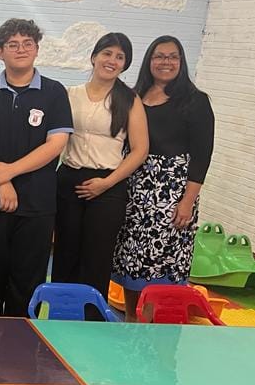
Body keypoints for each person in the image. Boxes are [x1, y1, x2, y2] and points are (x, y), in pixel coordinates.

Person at [0, 18, 73, 317]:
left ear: (37, 49)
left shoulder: (54, 92)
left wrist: (11, 172)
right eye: (12, 44)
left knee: (27, 283)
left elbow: (55, 144)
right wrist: (2, 181)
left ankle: (20, 341)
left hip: (37, 204)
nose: (21, 49)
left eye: (27, 43)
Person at [113, 35, 215, 320]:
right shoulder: (134, 97)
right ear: (149, 60)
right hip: (135, 188)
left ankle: (153, 323)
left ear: (181, 62)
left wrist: (188, 201)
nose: (165, 62)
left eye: (172, 56)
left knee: (159, 261)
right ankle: (132, 318)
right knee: (132, 259)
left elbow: (202, 156)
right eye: (159, 56)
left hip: (171, 191)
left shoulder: (195, 101)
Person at [53, 32, 149, 302]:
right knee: (65, 253)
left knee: (96, 258)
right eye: (107, 53)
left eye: (120, 57)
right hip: (69, 179)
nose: (112, 61)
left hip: (109, 184)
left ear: (125, 64)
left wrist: (106, 183)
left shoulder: (129, 100)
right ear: (94, 56)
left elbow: (140, 150)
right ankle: (60, 314)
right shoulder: (69, 94)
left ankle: (91, 317)